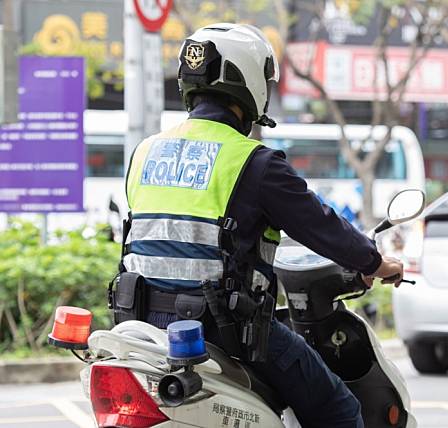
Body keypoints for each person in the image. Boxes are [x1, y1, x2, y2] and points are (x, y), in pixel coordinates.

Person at [116, 23, 404, 428]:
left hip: (142, 328)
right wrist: (375, 262)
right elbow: (319, 225)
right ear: (248, 81)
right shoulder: (254, 162)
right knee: (338, 409)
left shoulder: (144, 152)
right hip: (226, 333)